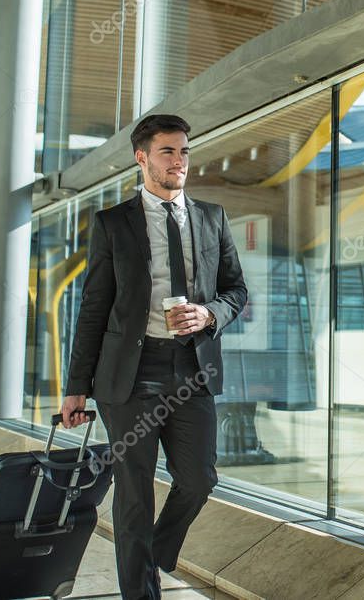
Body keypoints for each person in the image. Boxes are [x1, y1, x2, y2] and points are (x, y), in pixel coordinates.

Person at [60, 113, 247, 599]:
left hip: (192, 371)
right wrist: (76, 387)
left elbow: (236, 291)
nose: (179, 161)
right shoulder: (112, 223)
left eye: (185, 151)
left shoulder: (212, 217)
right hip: (129, 377)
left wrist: (208, 315)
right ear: (141, 158)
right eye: (168, 151)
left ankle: (154, 551)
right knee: (134, 494)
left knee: (199, 479)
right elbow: (94, 309)